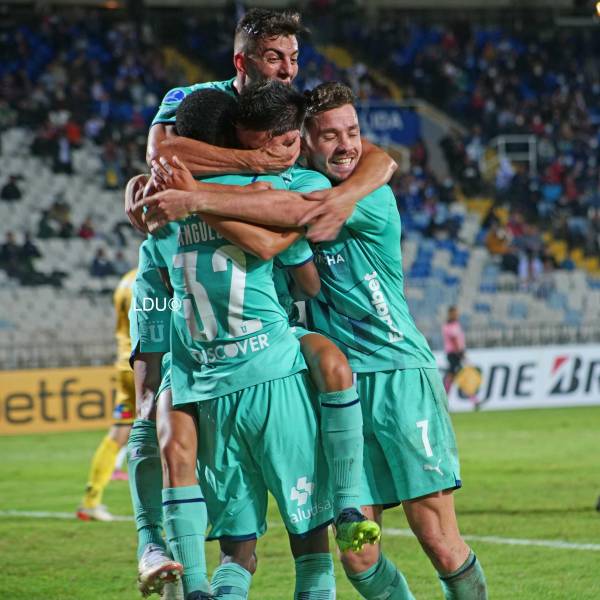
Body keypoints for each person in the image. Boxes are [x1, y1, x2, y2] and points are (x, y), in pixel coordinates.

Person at [143, 82, 488, 600]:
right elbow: (179, 160)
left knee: (436, 536)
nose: (347, 145)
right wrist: (148, 184)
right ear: (301, 142)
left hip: (395, 372)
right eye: (330, 135)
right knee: (357, 556)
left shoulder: (364, 195)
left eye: (353, 132)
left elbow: (296, 208)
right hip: (331, 390)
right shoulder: (289, 180)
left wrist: (191, 198)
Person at [135, 82, 339, 600]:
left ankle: (174, 565)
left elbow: (154, 301)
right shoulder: (256, 194)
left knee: (236, 550)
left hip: (210, 391)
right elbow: (308, 282)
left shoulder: (160, 215)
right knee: (312, 545)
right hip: (273, 375)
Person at [132, 7, 396, 245]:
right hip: (192, 246)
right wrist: (256, 160)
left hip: (262, 257)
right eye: (273, 58)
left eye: (294, 59)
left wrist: (343, 197)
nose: (288, 71)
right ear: (241, 62)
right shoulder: (195, 100)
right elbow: (160, 154)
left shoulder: (296, 109)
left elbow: (380, 160)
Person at [76, 269, 137, 521]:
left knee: (119, 431)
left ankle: (91, 500)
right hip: (145, 364)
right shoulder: (152, 274)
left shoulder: (126, 280)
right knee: (178, 431)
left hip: (125, 363)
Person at [442, 306, 466, 393]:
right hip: (453, 353)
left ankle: (444, 394)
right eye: (454, 313)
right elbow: (454, 339)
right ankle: (444, 394)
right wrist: (459, 352)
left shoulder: (456, 324)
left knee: (455, 374)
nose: (456, 315)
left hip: (456, 352)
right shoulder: (448, 325)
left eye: (456, 313)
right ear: (450, 314)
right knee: (454, 374)